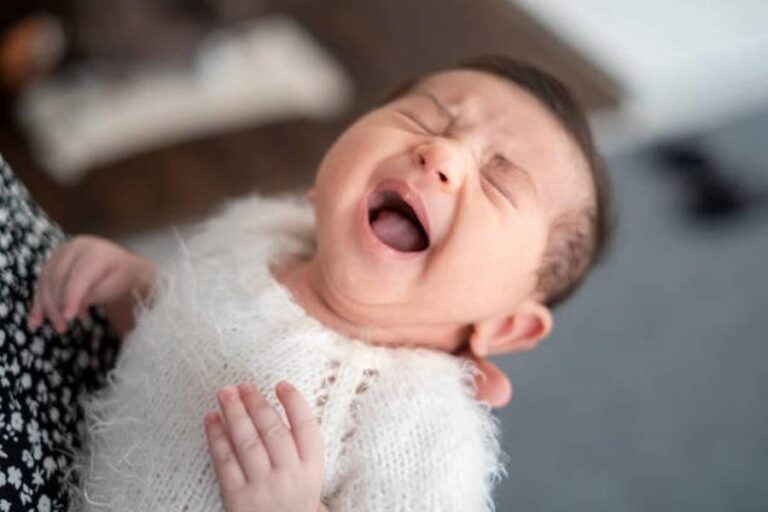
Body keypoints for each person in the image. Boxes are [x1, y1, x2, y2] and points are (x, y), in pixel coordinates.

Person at [21, 55, 611, 510]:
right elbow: (175, 328)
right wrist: (130, 286)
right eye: (422, 118)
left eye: (498, 182)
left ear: (506, 325)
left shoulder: (425, 425)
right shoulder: (258, 231)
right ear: (321, 184)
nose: (441, 154)